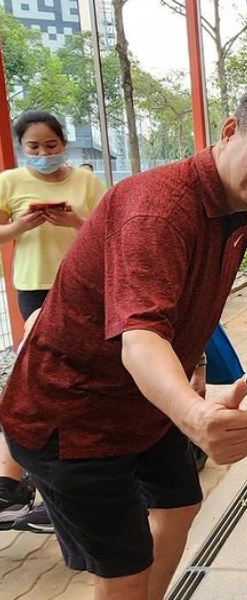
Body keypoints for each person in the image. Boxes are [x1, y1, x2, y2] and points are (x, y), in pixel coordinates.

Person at [0, 84, 247, 600]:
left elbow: (185, 311)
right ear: (231, 131)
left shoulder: (231, 209)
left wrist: (192, 374)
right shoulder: (160, 209)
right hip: (73, 413)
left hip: (141, 407)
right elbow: (141, 336)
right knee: (124, 571)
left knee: (179, 503)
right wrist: (196, 418)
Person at [0, 110, 105, 533]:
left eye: (51, 145)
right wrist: (19, 225)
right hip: (36, 288)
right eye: (34, 147)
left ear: (64, 143)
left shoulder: (85, 182)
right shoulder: (10, 183)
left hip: (82, 289)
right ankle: (32, 483)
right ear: (22, 148)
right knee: (42, 381)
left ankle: (58, 483)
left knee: (77, 382)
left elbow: (107, 231)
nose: (43, 154)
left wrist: (75, 222)